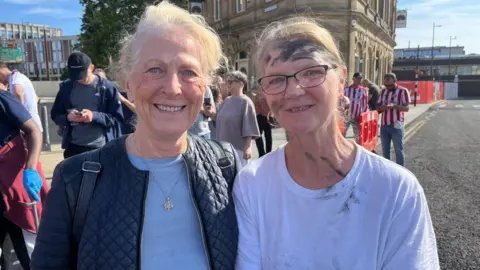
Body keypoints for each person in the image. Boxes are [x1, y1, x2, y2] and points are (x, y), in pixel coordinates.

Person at [31, 2, 239, 269]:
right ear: (127, 81)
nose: (173, 88)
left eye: (189, 71)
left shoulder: (228, 167)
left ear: (205, 85)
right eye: (155, 70)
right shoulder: (75, 179)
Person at [233, 17, 439, 269]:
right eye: (276, 79)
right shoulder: (252, 184)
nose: (294, 91)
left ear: (341, 80)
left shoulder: (395, 190)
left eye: (311, 72)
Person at [0, 81, 49, 270]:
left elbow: (34, 131)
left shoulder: (3, 99)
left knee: (28, 249)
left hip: (16, 181)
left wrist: (30, 169)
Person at [50, 52, 124, 159]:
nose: (79, 78)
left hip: (100, 147)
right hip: (73, 147)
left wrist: (94, 116)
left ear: (91, 67)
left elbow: (117, 119)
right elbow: (55, 115)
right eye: (75, 74)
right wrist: (68, 117)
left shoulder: (106, 88)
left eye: (82, 74)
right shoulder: (66, 87)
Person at [215, 71, 260, 166]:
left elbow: (249, 128)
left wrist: (248, 148)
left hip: (238, 150)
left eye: (231, 82)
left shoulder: (246, 102)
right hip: (222, 149)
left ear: (241, 83)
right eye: (227, 82)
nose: (228, 84)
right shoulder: (227, 100)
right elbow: (218, 119)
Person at [377, 73, 411, 166]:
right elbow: (378, 107)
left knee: (398, 150)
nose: (387, 85)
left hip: (397, 124)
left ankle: (401, 170)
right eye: (385, 81)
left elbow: (407, 108)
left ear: (395, 80)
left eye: (389, 80)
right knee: (385, 150)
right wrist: (382, 108)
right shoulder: (383, 91)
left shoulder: (403, 91)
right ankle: (387, 171)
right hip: (384, 125)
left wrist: (394, 106)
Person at [0, 62, 43, 132]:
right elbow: (36, 98)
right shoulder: (19, 77)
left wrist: (18, 112)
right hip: (34, 125)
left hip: (27, 128)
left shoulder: (14, 78)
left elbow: (18, 92)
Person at [95, 68, 137, 134]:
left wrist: (123, 100)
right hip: (114, 131)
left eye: (101, 78)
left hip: (130, 128)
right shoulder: (99, 94)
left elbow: (137, 110)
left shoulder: (129, 90)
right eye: (96, 78)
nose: (99, 80)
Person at [344, 72, 368, 140]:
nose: (359, 80)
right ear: (353, 79)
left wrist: (362, 116)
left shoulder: (363, 91)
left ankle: (358, 148)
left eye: (360, 78)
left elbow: (365, 105)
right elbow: (341, 101)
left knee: (358, 136)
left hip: (357, 116)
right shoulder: (346, 89)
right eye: (358, 78)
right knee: (342, 134)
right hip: (346, 116)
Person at [252, 90, 272, 157]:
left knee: (268, 135)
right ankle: (261, 153)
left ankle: (268, 152)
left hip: (266, 116)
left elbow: (269, 106)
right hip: (258, 117)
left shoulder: (267, 94)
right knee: (258, 136)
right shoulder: (255, 96)